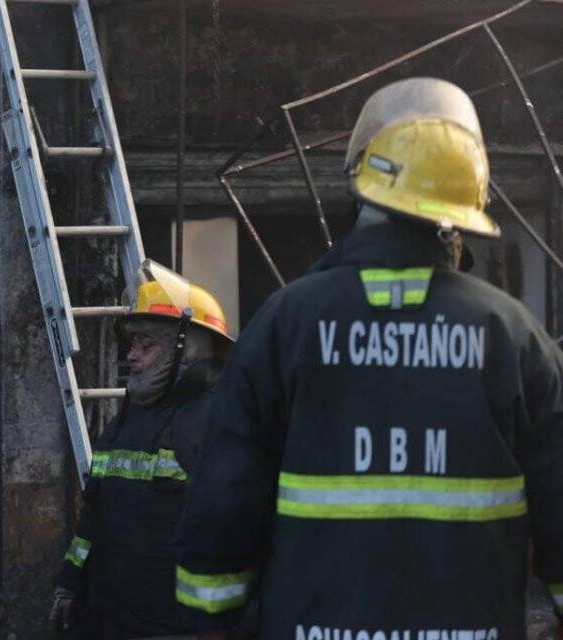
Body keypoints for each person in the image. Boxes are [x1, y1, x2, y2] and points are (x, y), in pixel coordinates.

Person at [175, 77, 563, 640]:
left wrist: (210, 619)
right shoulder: (514, 337)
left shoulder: (287, 323)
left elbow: (226, 496)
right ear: (467, 209)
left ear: (362, 189)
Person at [50, 269, 233, 638]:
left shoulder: (218, 420)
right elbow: (94, 517)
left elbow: (236, 533)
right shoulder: (129, 416)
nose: (131, 357)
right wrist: (69, 584)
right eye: (130, 345)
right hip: (111, 620)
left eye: (145, 346)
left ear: (187, 349)